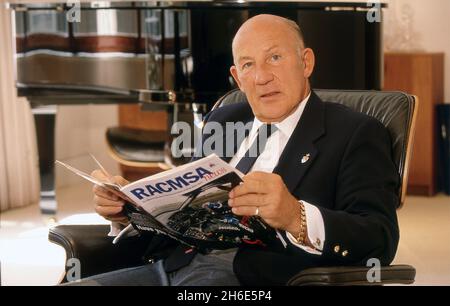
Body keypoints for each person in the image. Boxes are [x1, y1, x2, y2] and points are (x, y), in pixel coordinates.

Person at [73, 14, 399, 286]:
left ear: (306, 62)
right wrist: (126, 212)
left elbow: (379, 239)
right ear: (237, 78)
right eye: (247, 65)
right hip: (170, 267)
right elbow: (184, 214)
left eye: (275, 57)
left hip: (252, 280)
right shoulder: (225, 118)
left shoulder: (355, 132)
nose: (261, 77)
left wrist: (295, 216)